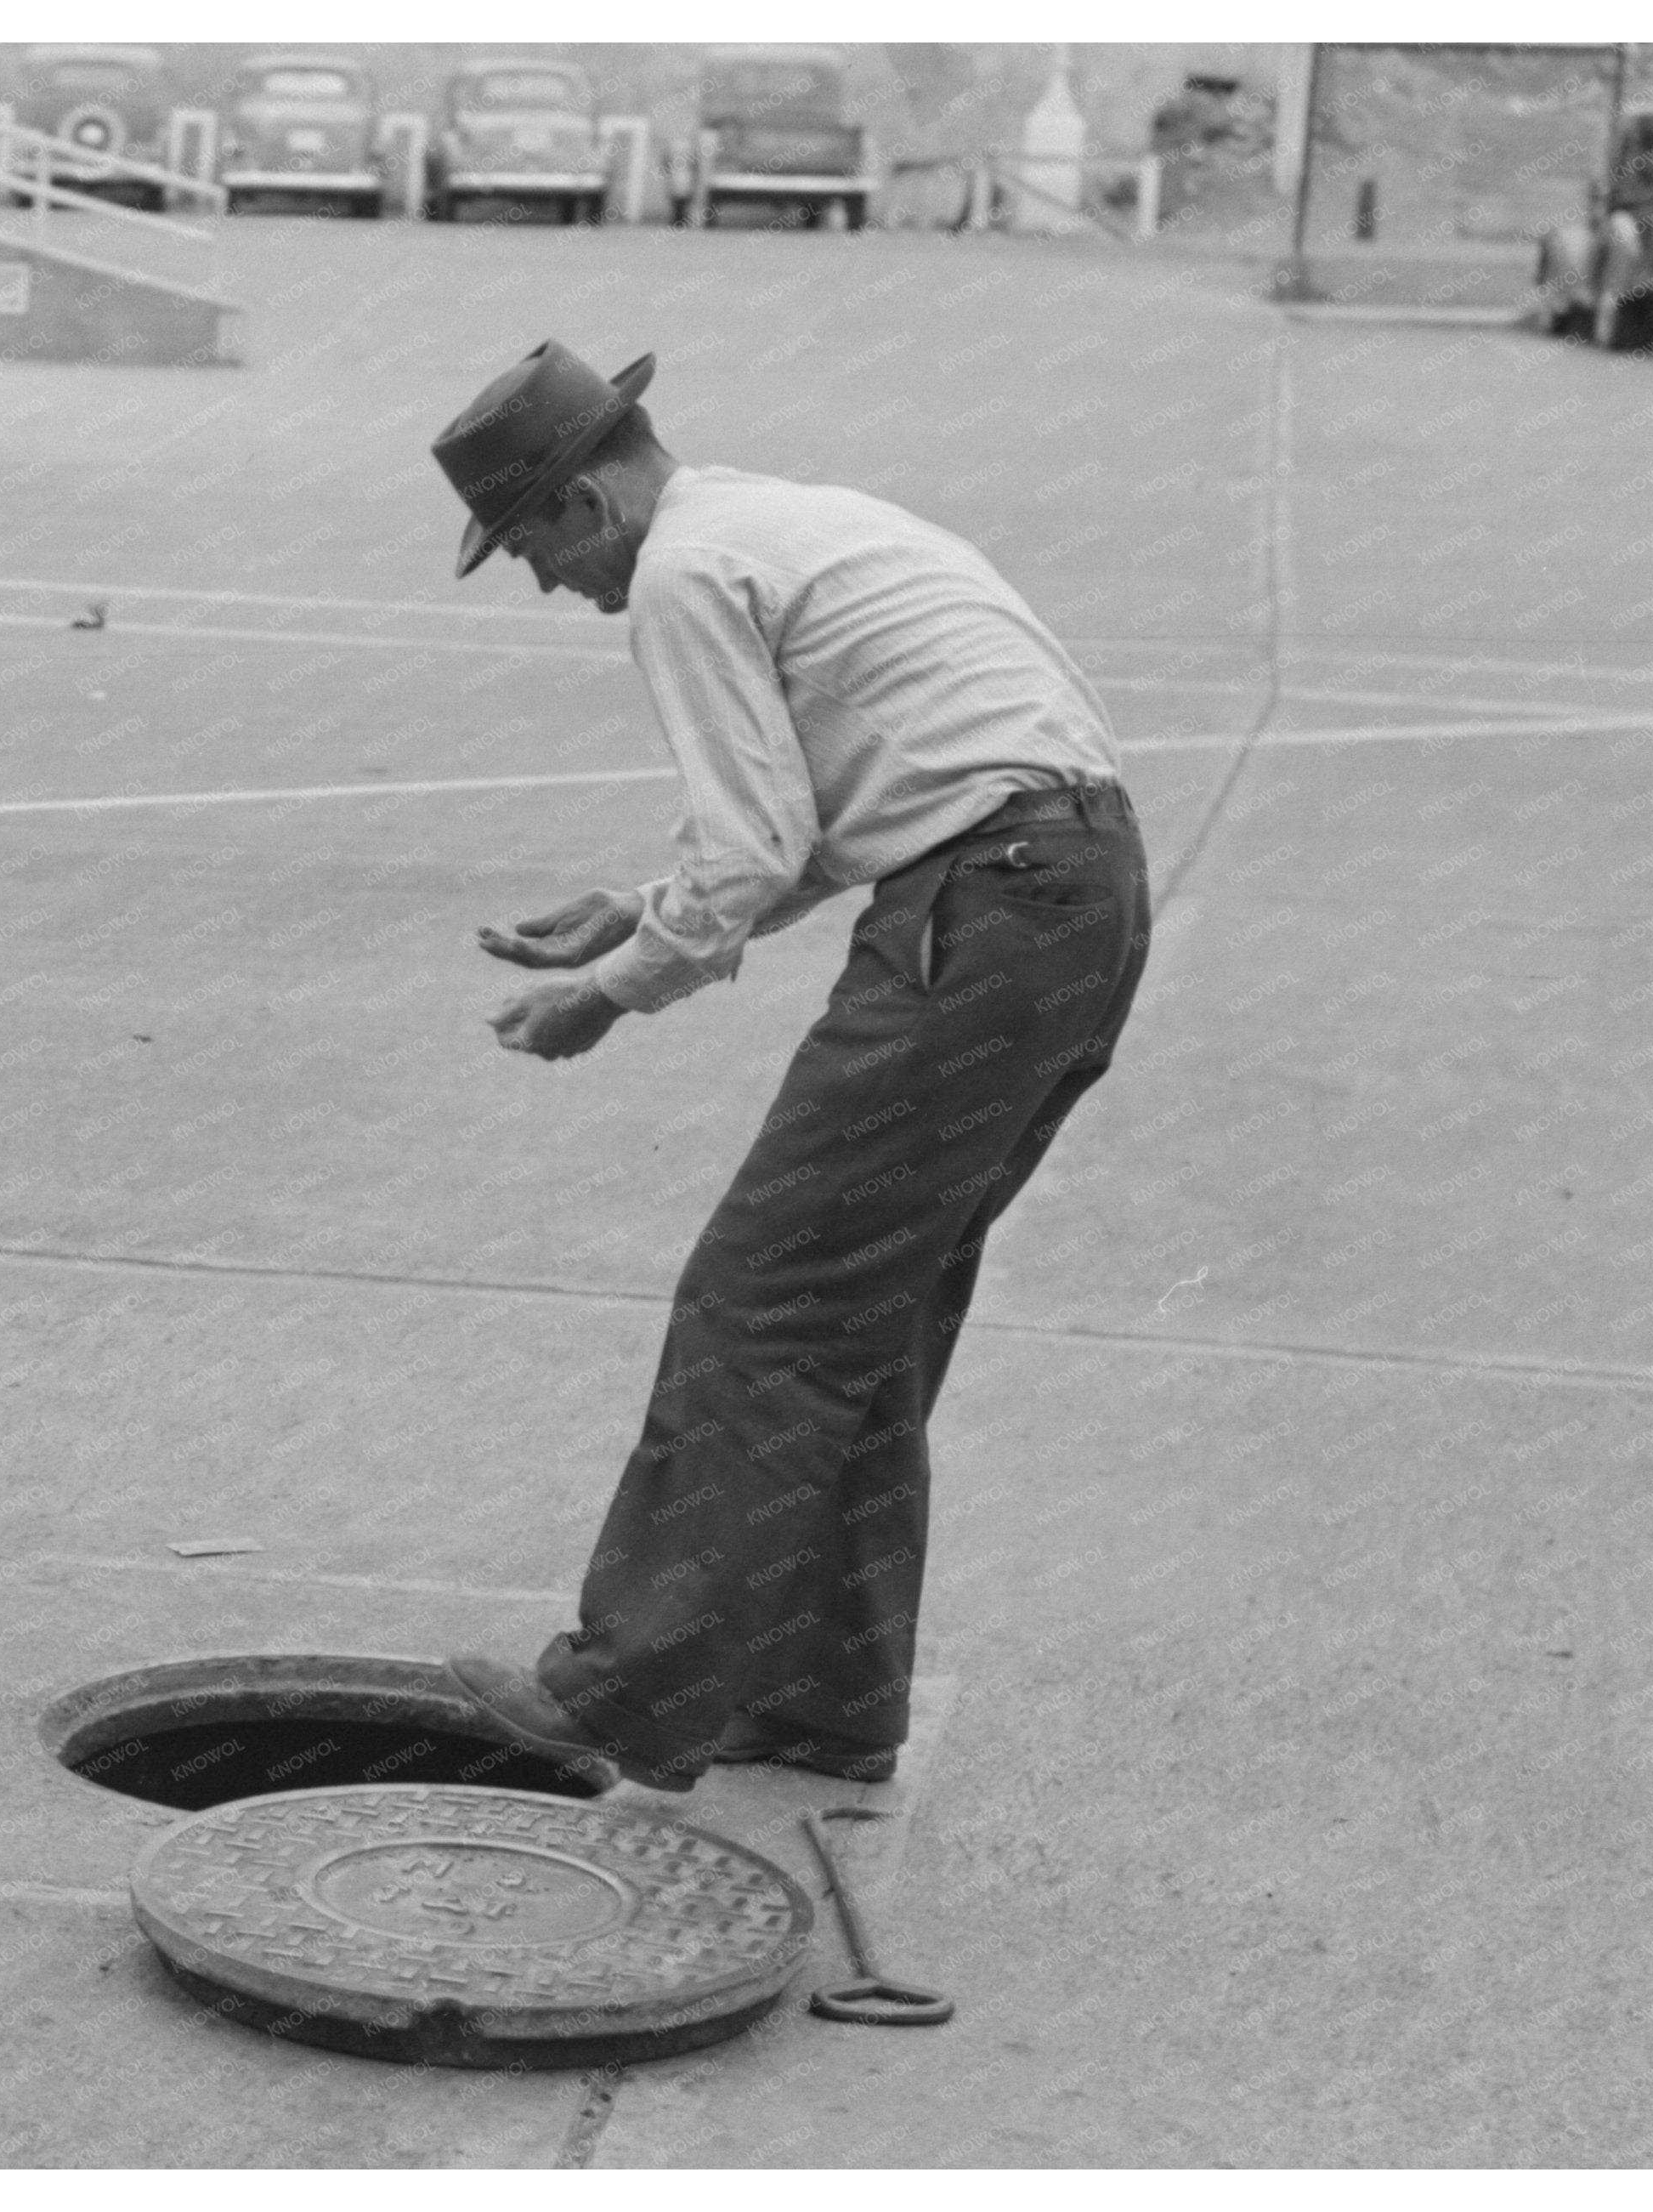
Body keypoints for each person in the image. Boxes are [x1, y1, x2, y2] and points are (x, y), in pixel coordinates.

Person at [427, 340, 1152, 1794]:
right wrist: (645, 907)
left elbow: (755, 842)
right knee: (861, 1314)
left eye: (527, 548)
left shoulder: (685, 576)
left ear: (583, 503)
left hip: (985, 906)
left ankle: (629, 1688)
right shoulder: (773, 518)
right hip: (1074, 892)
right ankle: (820, 1695)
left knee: (759, 1301)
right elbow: (854, 807)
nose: (548, 584)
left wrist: (613, 993)